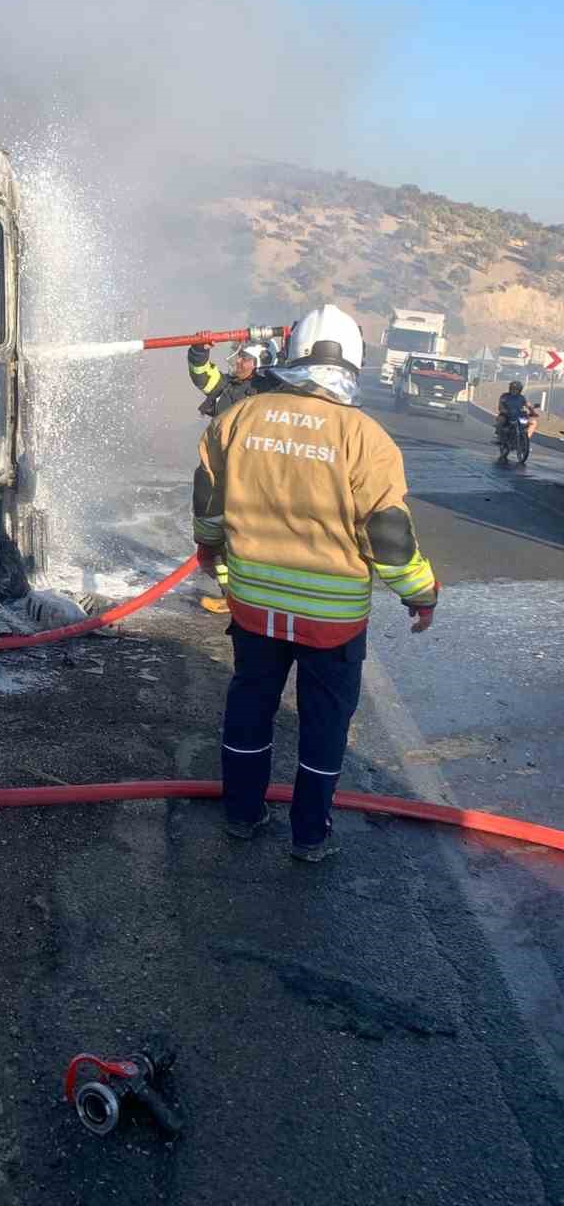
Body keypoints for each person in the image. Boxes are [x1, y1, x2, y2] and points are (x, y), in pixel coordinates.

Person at [192, 303, 439, 864]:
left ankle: (241, 814)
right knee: (325, 723)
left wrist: (209, 548)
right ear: (353, 363)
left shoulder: (239, 419)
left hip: (254, 605)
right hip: (332, 619)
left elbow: (207, 500)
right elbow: (389, 534)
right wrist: (419, 592)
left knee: (250, 704)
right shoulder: (365, 437)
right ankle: (309, 834)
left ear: (295, 353)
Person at [187, 336, 279, 615]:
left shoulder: (271, 391)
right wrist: (198, 350)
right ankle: (231, 596)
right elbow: (201, 374)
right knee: (216, 534)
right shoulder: (225, 385)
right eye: (237, 357)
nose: (238, 362)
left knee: (244, 538)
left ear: (260, 362)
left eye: (245, 358)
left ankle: (251, 597)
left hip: (253, 476)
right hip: (220, 472)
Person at [187, 338, 277, 419]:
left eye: (244, 357)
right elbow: (201, 376)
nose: (238, 360)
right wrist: (199, 352)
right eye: (238, 355)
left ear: (262, 362)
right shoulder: (227, 386)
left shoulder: (275, 393)